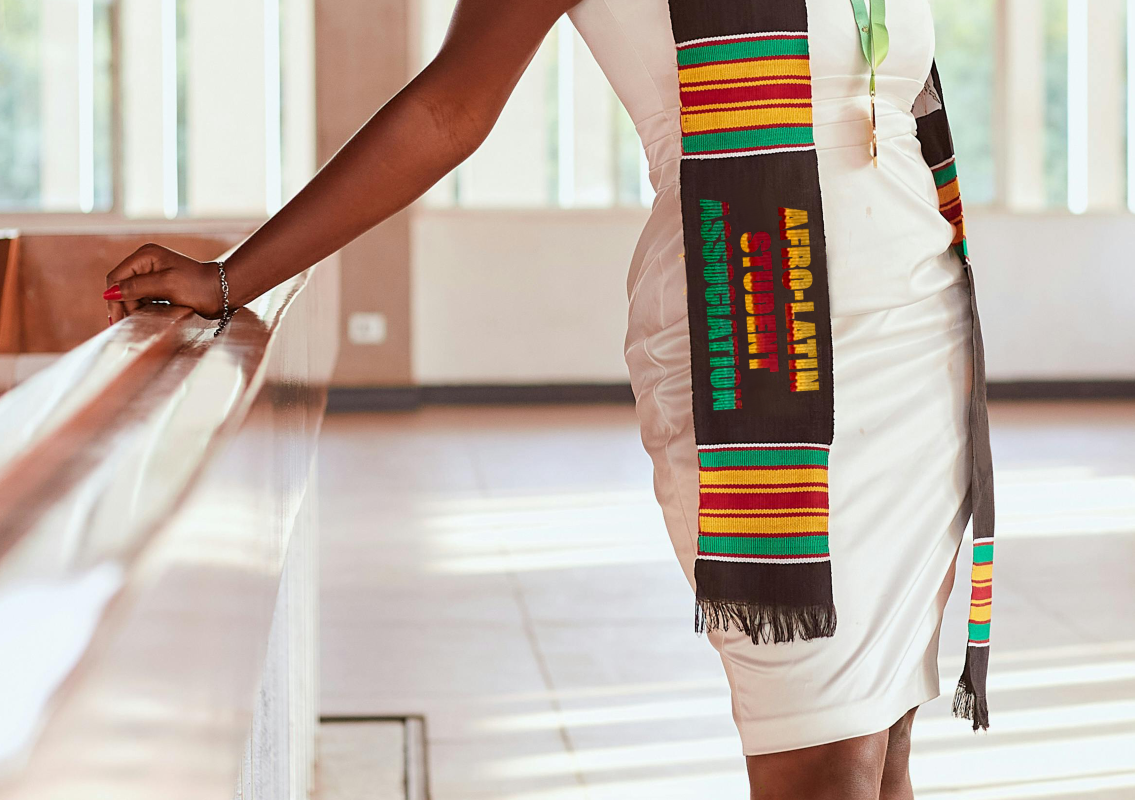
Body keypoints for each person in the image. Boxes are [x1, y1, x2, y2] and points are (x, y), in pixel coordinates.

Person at [103, 1, 992, 797]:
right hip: (754, 351)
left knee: (882, 742)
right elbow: (446, 109)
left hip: (919, 339)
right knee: (821, 754)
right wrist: (232, 278)